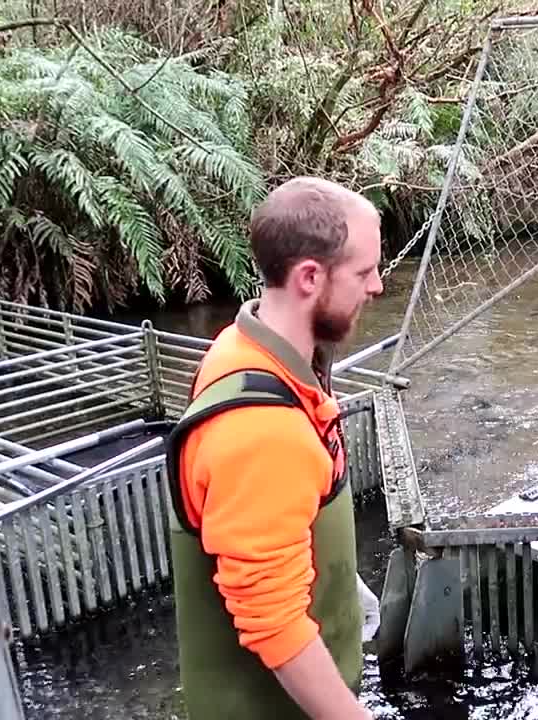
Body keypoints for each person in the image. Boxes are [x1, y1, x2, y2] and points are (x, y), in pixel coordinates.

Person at [165, 176, 384, 720]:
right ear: (310, 277)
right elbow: (274, 621)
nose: (377, 285)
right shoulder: (263, 428)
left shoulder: (244, 347)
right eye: (364, 272)